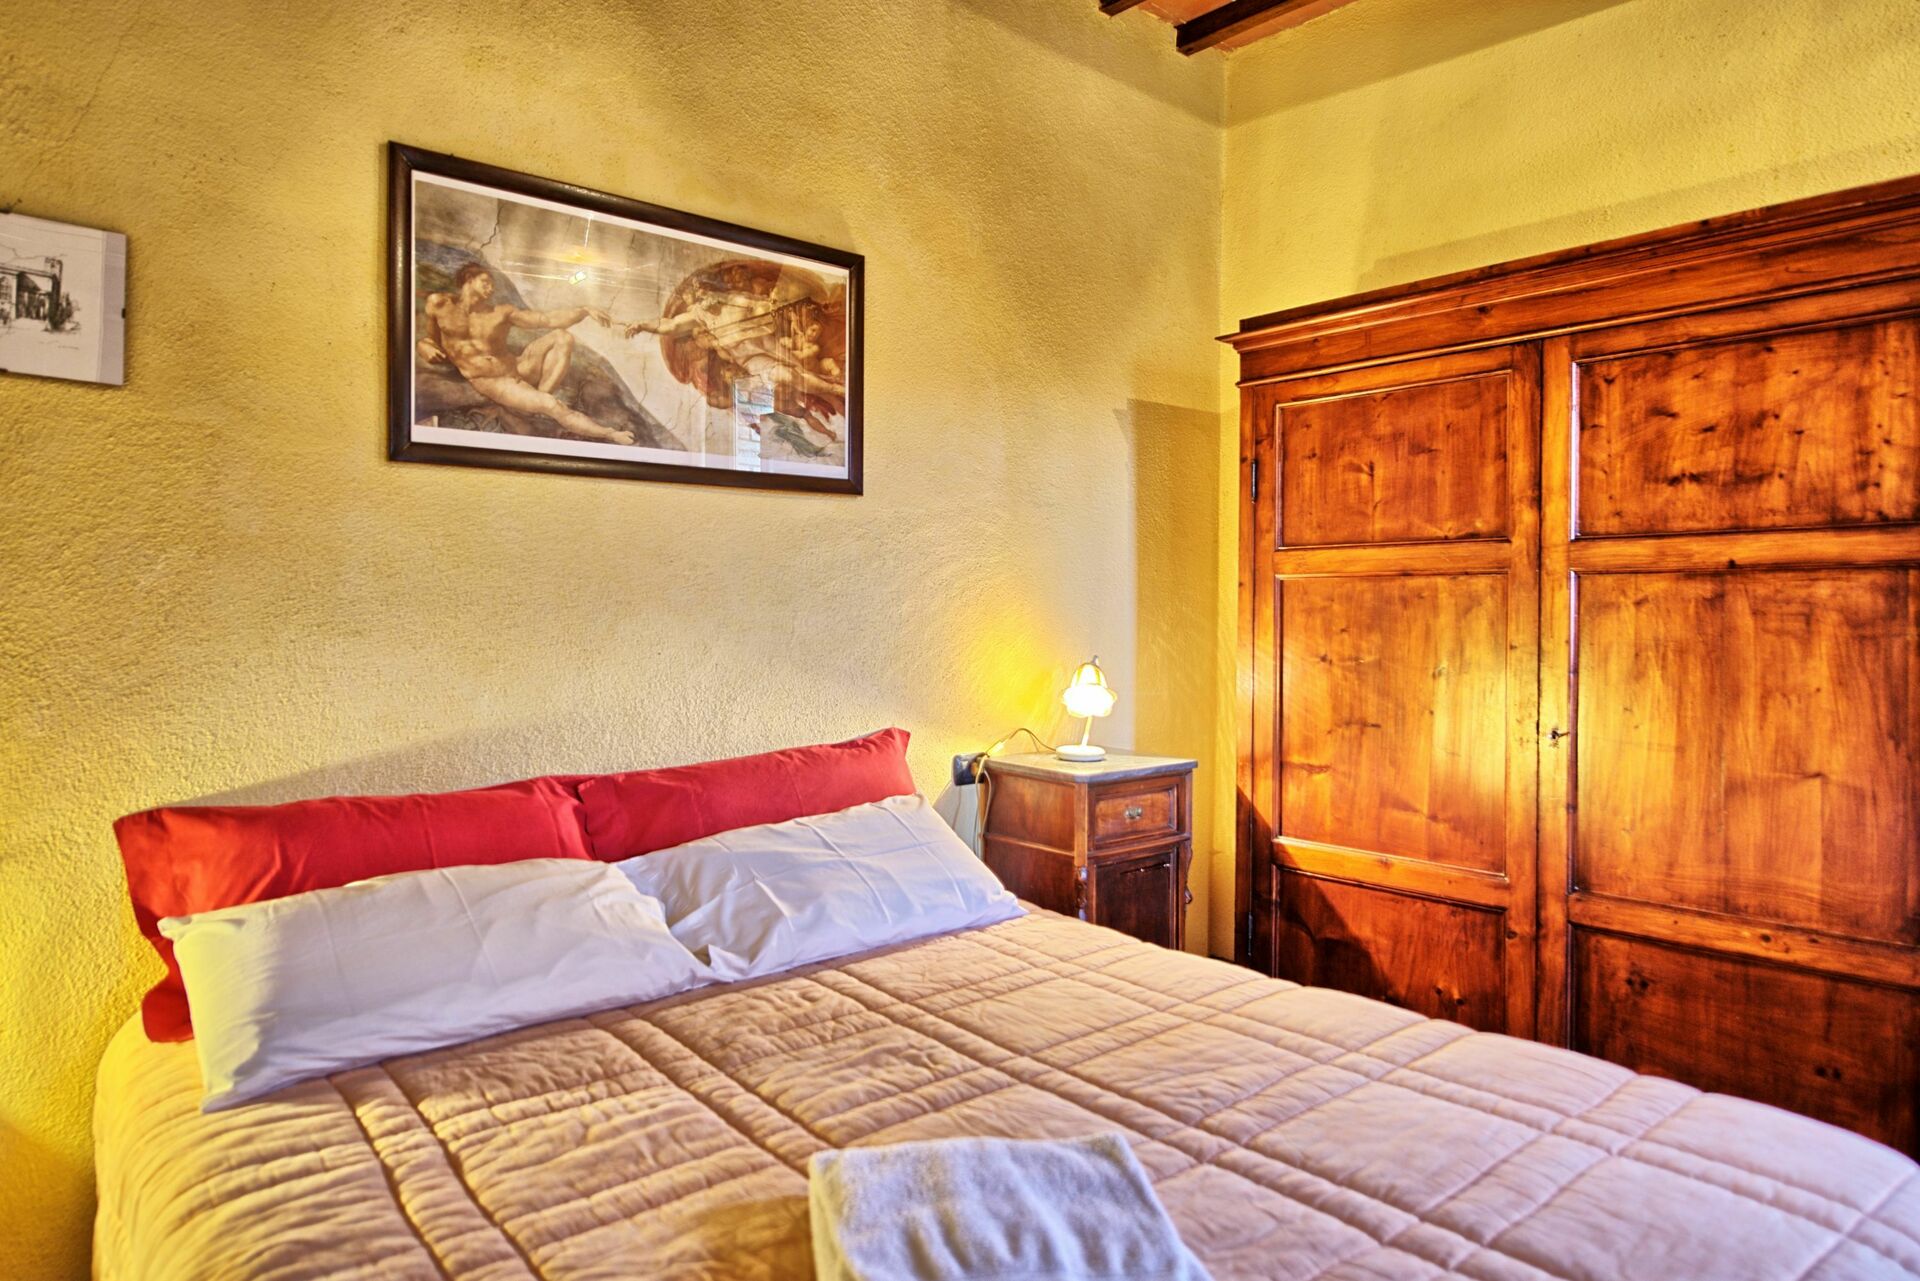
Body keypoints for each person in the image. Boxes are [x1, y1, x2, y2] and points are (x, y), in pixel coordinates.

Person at [418, 262, 635, 444]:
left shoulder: (501, 312)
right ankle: (610, 434)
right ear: (469, 279)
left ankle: (538, 400)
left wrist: (584, 311)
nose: (490, 288)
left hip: (518, 367)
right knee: (552, 405)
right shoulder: (439, 304)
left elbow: (546, 319)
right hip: (495, 382)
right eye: (485, 282)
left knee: (562, 336)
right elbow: (430, 339)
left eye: (492, 284)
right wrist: (423, 346)